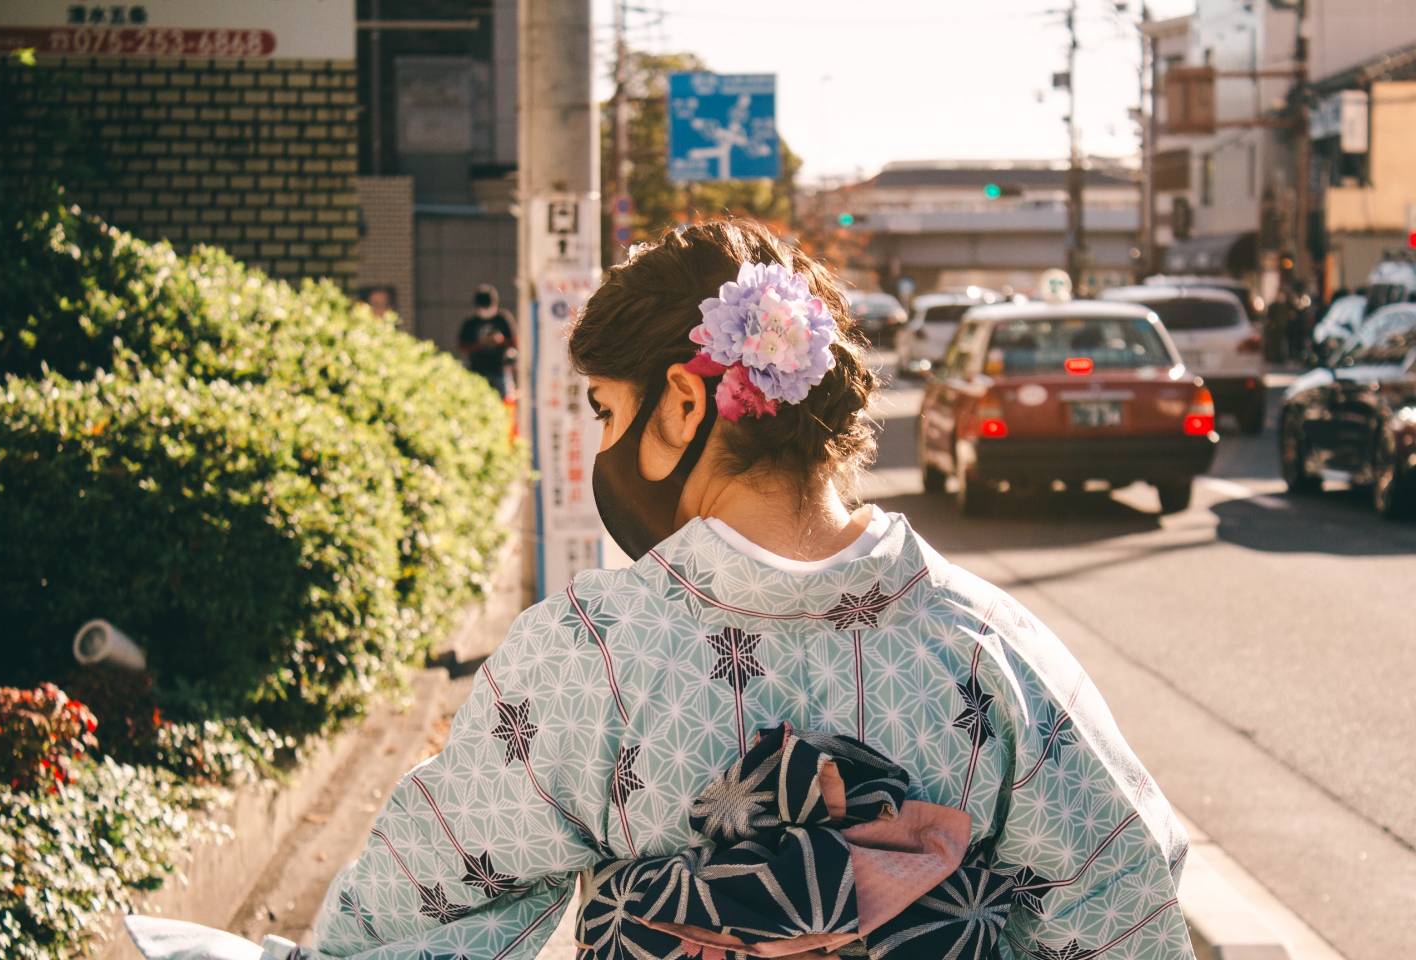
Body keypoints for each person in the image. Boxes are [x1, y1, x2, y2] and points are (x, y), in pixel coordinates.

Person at [128, 222, 1196, 960]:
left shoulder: (593, 651)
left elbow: (423, 903)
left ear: (685, 406)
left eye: (605, 409)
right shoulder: (990, 645)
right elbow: (1128, 902)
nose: (600, 441)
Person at [459, 284, 517, 398]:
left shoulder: (503, 319)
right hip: (477, 371)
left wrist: (501, 341)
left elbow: (514, 342)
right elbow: (462, 346)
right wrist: (481, 343)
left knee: (505, 401)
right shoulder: (471, 323)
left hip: (500, 370)